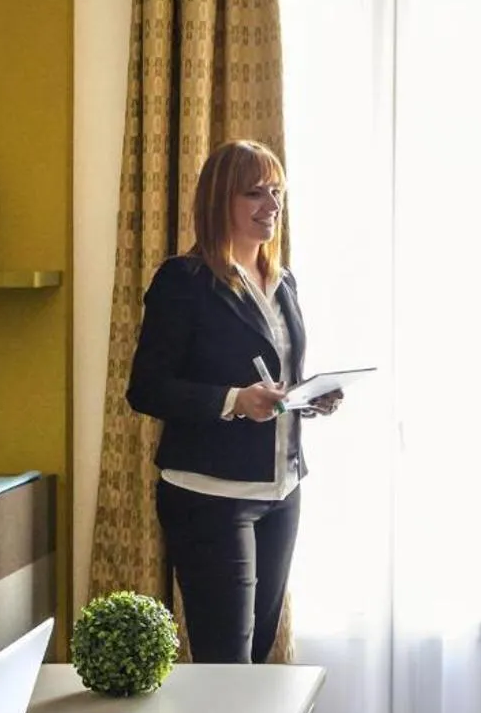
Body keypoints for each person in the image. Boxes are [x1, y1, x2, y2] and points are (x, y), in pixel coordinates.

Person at [124, 140, 339, 664]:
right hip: (210, 498)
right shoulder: (184, 281)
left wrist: (305, 397)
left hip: (282, 490)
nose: (272, 205)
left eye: (277, 192)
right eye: (255, 193)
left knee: (257, 656)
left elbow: (276, 375)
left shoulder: (283, 282)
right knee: (226, 663)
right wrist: (234, 401)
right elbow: (146, 387)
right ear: (220, 200)